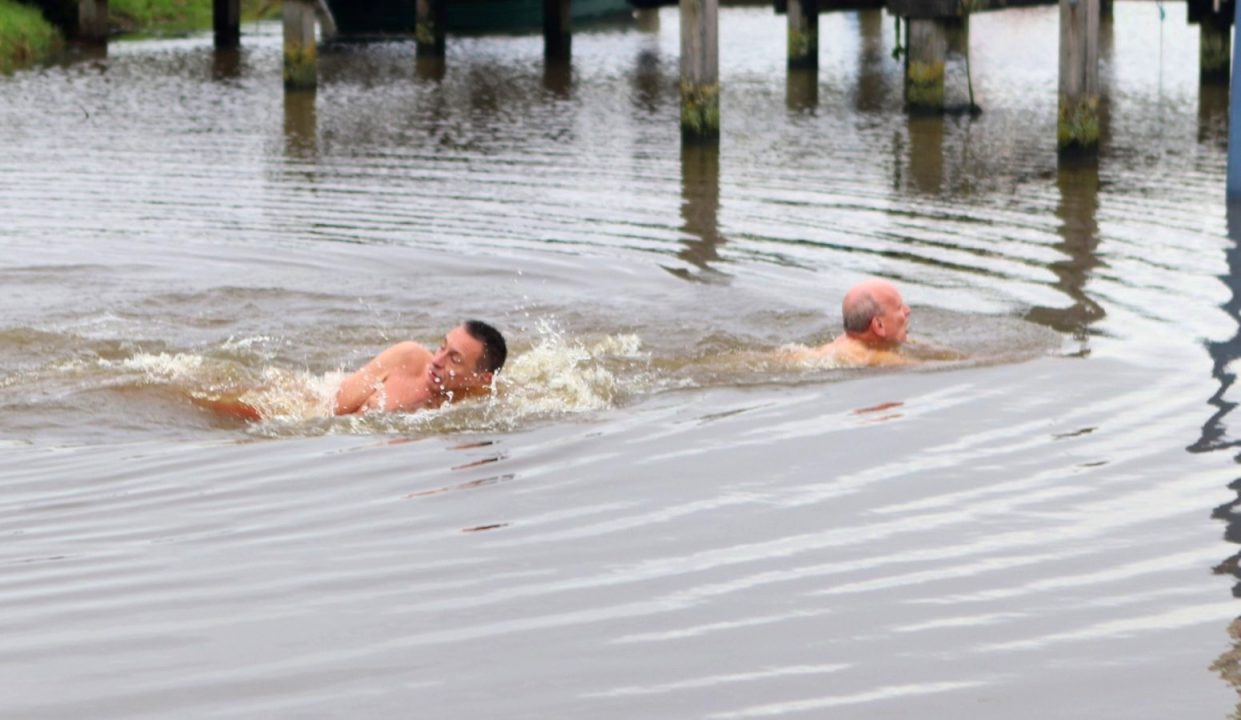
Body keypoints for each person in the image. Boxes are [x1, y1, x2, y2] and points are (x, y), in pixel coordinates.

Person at [333, 320, 507, 415]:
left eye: (454, 359)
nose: (437, 361)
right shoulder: (406, 357)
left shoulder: (478, 404)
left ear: (483, 379)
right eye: (442, 347)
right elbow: (331, 410)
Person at [798, 278, 914, 366]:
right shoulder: (874, 357)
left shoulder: (841, 345)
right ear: (879, 325)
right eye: (899, 307)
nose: (908, 311)